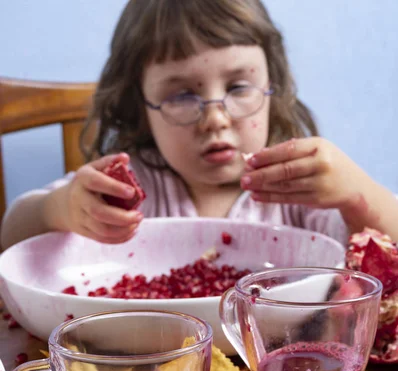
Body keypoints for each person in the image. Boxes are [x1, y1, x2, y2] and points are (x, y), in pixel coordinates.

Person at [2, 0, 398, 250]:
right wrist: (59, 208)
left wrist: (356, 193)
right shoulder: (128, 190)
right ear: (141, 106)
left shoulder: (298, 195)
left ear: (271, 87)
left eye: (239, 86)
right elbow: (11, 237)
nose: (215, 118)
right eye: (181, 95)